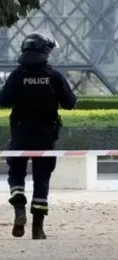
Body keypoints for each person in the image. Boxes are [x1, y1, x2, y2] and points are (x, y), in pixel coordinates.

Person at [0, 31, 77, 239]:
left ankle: (19, 211)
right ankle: (38, 228)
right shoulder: (53, 76)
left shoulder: (17, 75)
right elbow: (70, 103)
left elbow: (4, 101)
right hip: (45, 134)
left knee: (16, 174)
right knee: (42, 178)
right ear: (45, 52)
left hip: (21, 132)